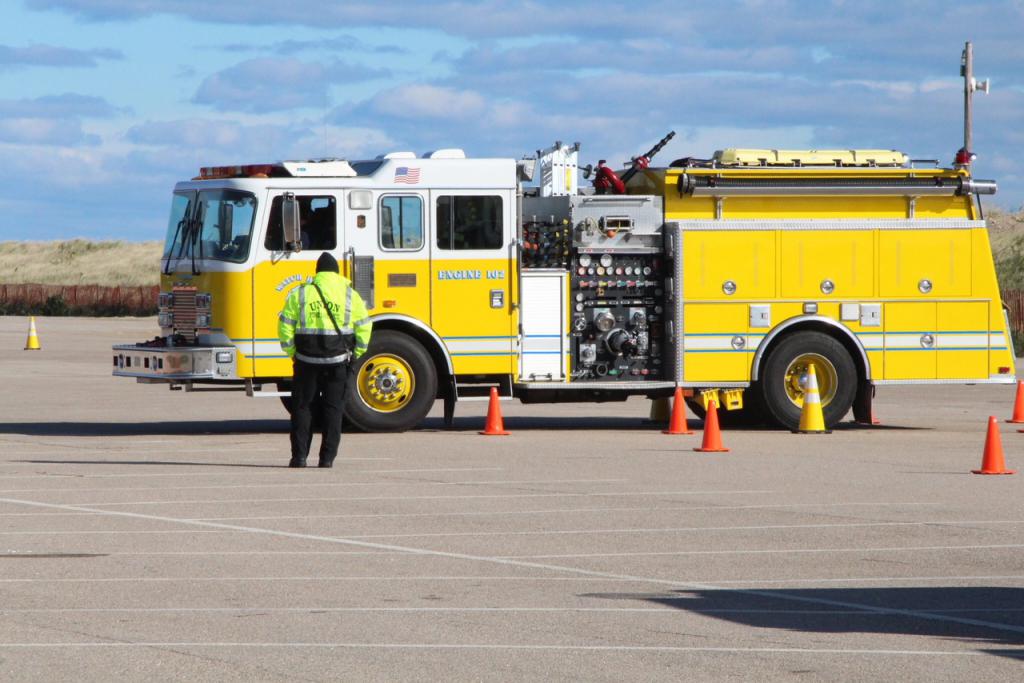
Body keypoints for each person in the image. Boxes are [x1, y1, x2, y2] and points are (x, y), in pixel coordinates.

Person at [277, 253, 372, 468]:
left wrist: (291, 351)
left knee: (302, 408)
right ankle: (327, 459)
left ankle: (299, 457)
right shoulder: (350, 295)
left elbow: (285, 325)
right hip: (338, 361)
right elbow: (364, 325)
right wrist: (358, 353)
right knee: (333, 409)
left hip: (305, 361)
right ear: (337, 272)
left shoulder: (301, 293)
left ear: (317, 272)